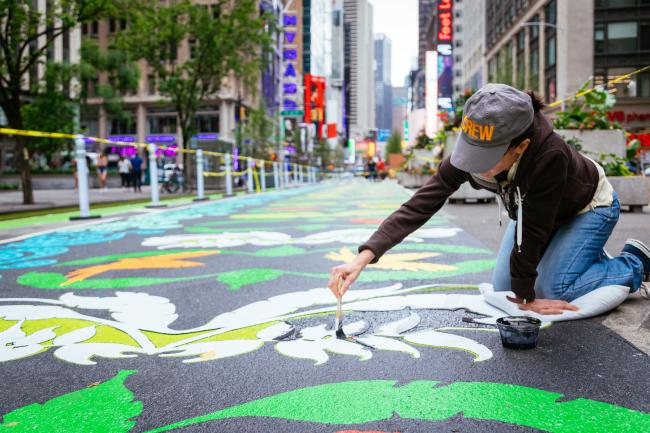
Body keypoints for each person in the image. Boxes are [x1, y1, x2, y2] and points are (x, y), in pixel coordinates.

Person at [329, 84, 649, 315]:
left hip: (588, 207)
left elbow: (533, 234)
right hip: (538, 211)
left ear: (520, 147)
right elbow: (423, 201)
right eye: (470, 151)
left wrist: (527, 301)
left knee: (552, 290)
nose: (472, 164)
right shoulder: (479, 140)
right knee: (502, 288)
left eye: (486, 157)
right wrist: (363, 257)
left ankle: (633, 263)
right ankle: (581, 256)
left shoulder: (548, 157)